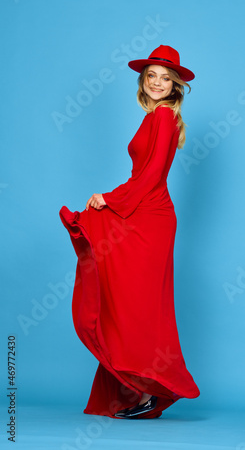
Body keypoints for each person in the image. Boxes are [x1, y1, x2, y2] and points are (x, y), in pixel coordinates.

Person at [59, 45, 200, 420]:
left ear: (175, 86)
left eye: (165, 78)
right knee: (130, 303)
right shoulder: (154, 117)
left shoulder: (165, 118)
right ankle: (140, 391)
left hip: (150, 217)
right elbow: (142, 177)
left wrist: (109, 198)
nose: (157, 82)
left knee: (141, 307)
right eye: (151, 76)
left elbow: (152, 177)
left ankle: (151, 389)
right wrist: (113, 198)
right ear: (143, 80)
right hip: (141, 210)